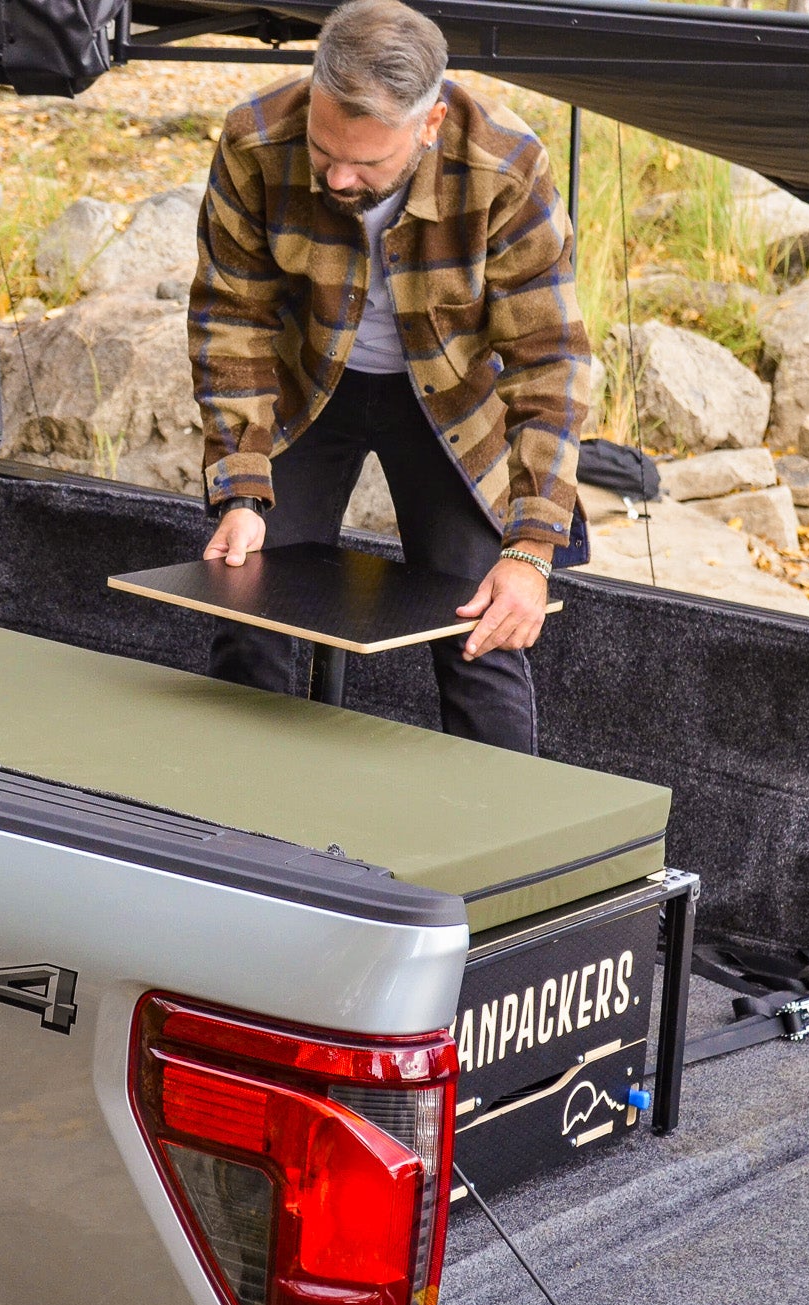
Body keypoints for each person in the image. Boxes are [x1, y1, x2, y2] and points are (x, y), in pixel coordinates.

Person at [189, 0, 588, 754]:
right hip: (307, 389)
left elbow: (550, 361)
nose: (338, 177)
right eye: (323, 151)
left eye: (367, 163)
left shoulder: (508, 167)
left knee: (483, 625)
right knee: (248, 602)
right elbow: (230, 316)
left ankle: (501, 817)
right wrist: (240, 491)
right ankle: (236, 807)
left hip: (452, 402)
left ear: (429, 124)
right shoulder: (254, 138)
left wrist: (531, 551)